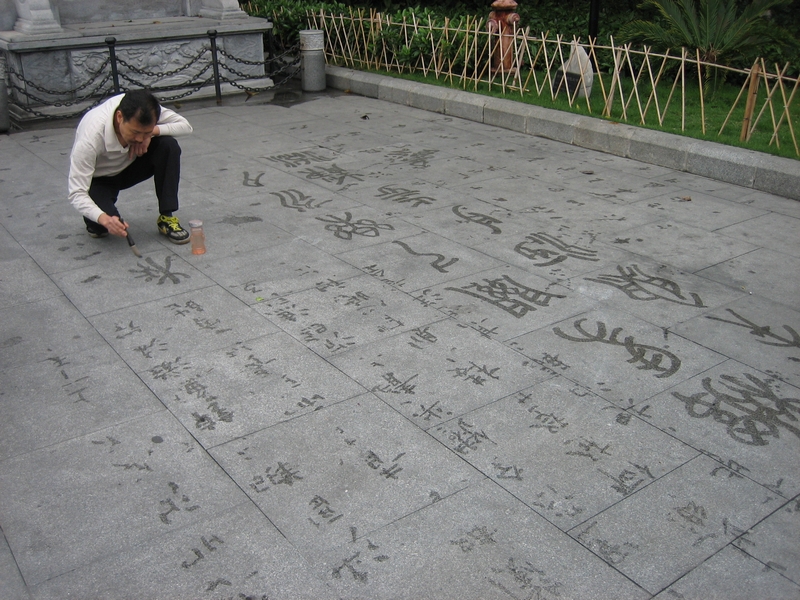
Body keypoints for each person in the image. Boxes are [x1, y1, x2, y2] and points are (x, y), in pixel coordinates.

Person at [68, 89, 193, 244]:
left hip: (131, 165)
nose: (140, 139)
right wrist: (103, 218)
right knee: (104, 225)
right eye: (135, 132)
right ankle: (95, 221)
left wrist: (152, 133)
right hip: (100, 179)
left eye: (145, 132)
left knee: (168, 145)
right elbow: (76, 192)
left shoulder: (147, 107)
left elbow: (185, 126)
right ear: (119, 117)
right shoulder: (90, 137)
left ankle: (166, 217)